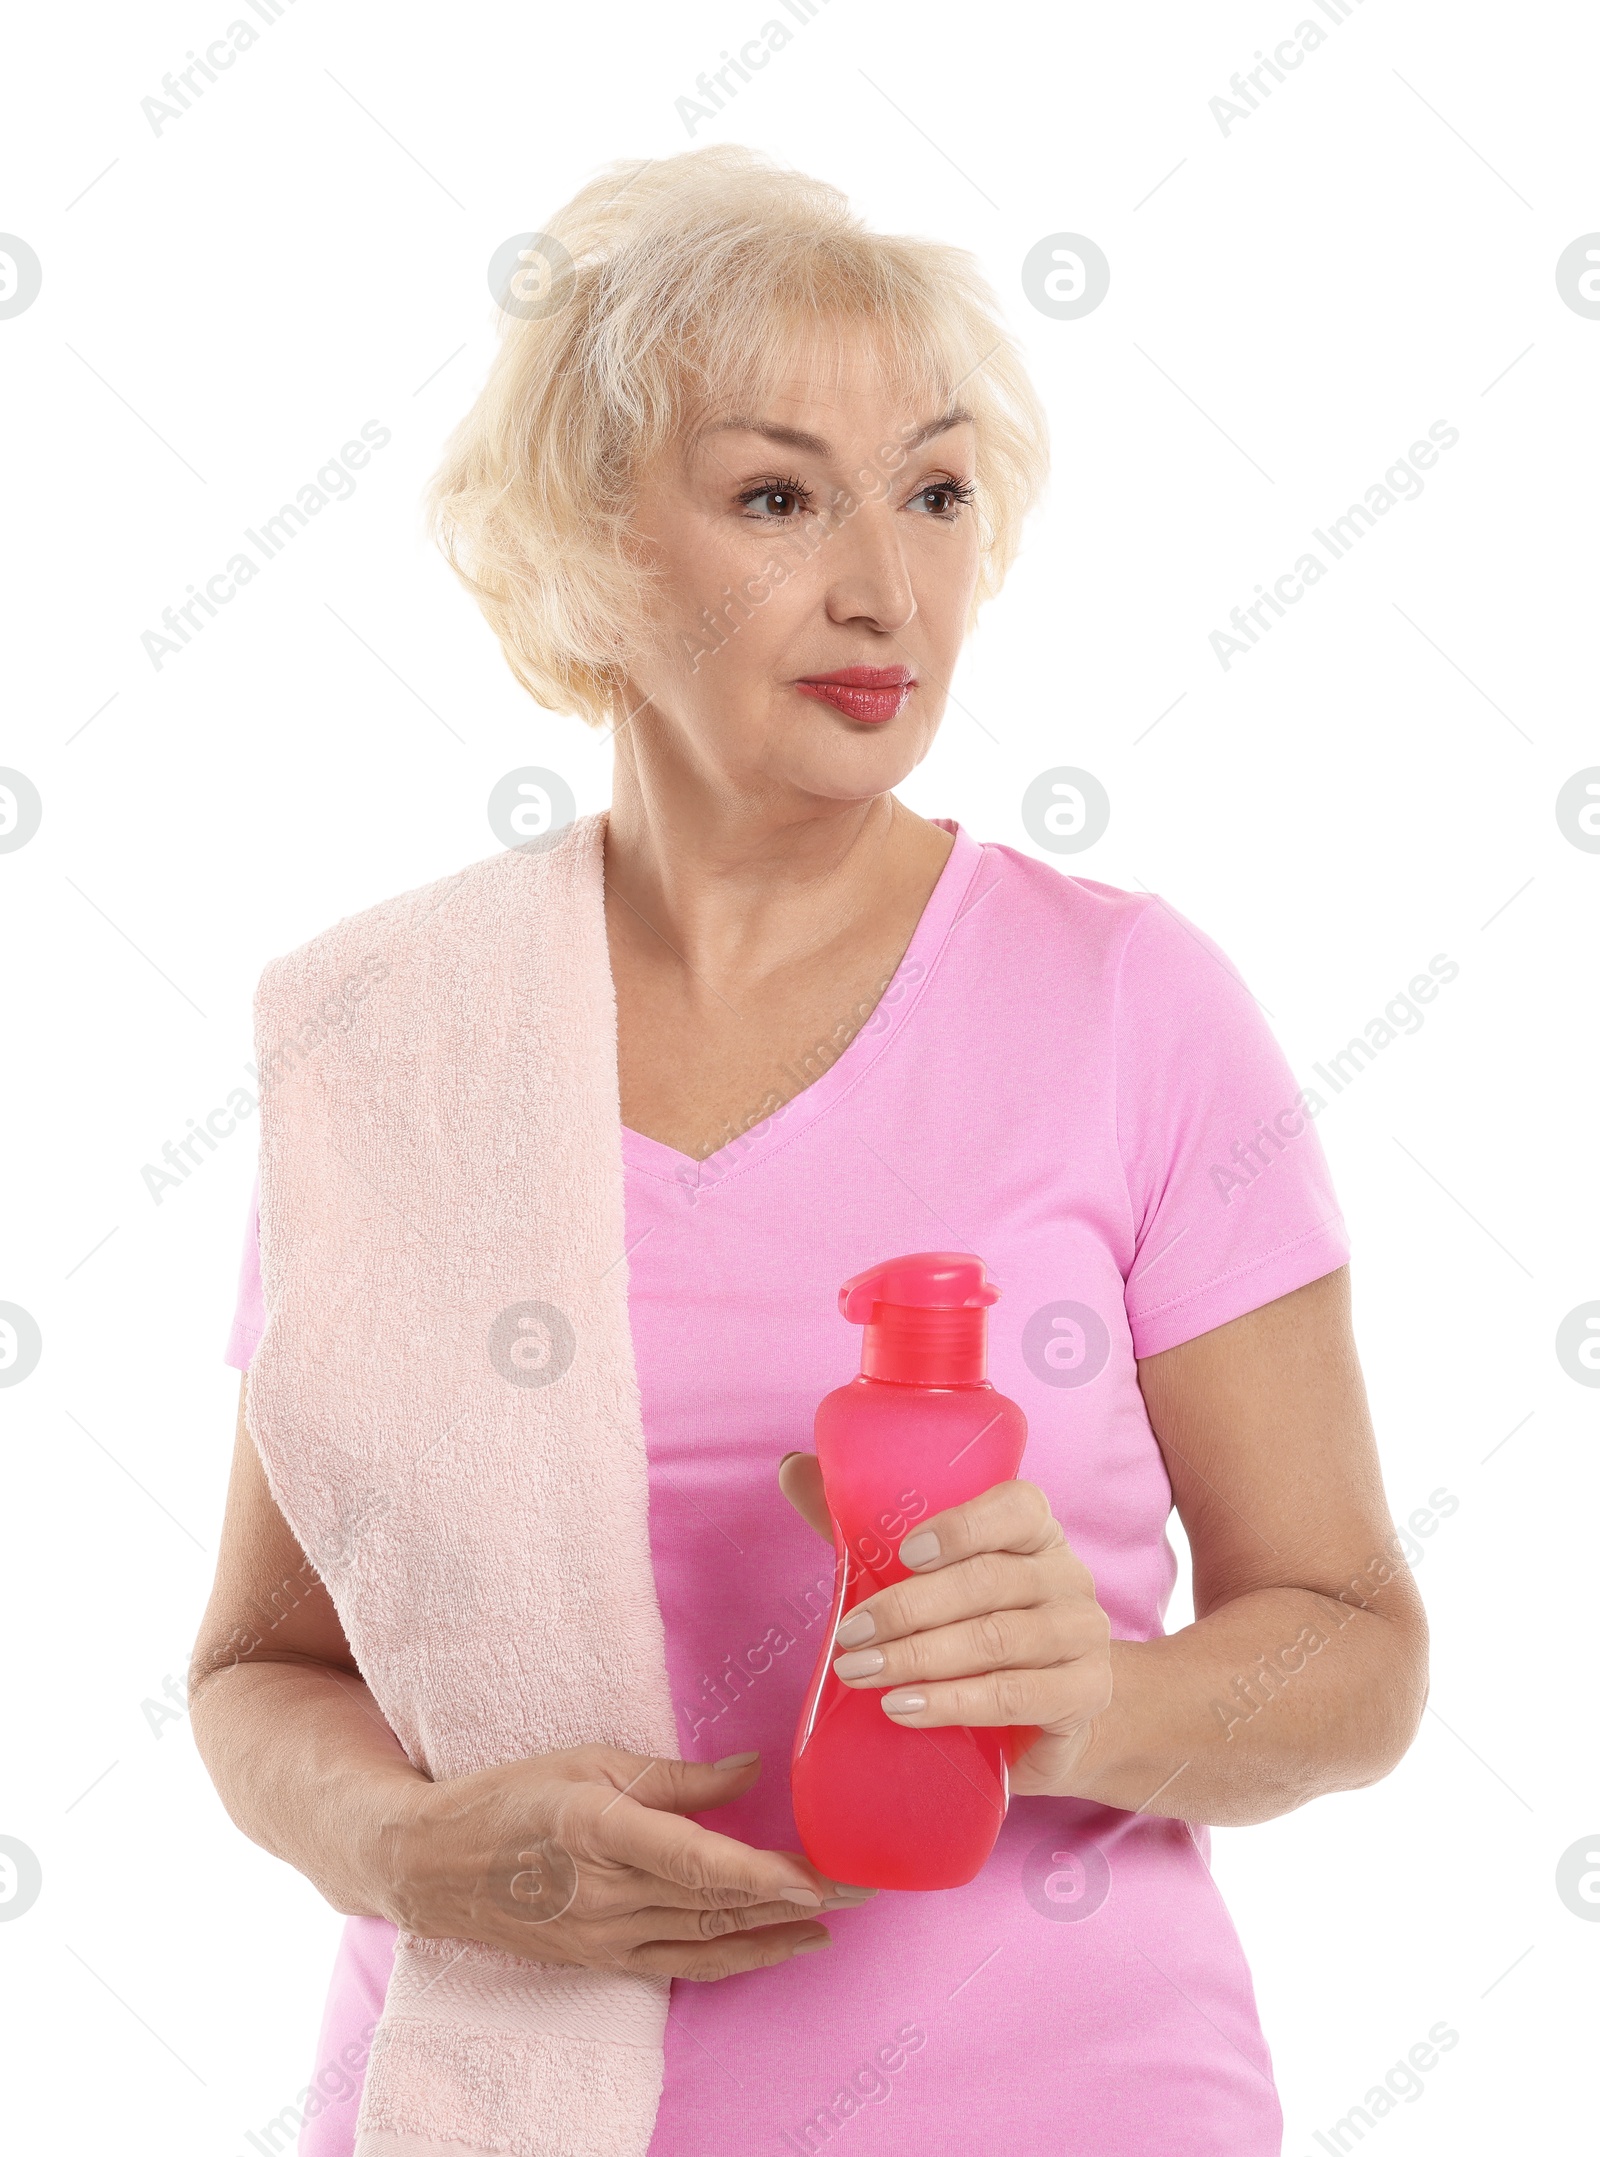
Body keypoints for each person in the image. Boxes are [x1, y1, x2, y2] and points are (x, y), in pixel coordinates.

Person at [190, 144, 1428, 2156]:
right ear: (596, 539)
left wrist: (1088, 1703)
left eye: (932, 492)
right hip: (495, 2101)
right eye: (779, 494)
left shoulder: (1128, 1004)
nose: (885, 584)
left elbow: (1350, 1646)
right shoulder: (395, 1037)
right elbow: (260, 1662)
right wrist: (419, 1849)